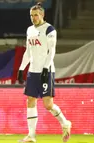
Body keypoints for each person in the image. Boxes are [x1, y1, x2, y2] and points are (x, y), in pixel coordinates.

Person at [17, 3, 72, 143]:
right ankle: (31, 135)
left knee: (47, 104)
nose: (33, 18)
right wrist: (21, 68)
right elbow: (28, 52)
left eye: (36, 15)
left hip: (46, 71)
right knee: (30, 101)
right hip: (33, 71)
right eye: (31, 15)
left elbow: (51, 51)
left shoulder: (49, 29)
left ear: (42, 15)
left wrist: (46, 68)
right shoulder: (29, 30)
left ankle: (65, 123)